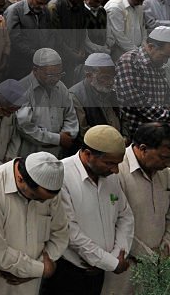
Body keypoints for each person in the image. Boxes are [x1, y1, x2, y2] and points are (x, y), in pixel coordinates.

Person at [45, 125, 133, 295]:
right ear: (87, 154)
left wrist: (116, 254)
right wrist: (108, 262)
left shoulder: (110, 177)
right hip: (68, 272)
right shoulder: (62, 175)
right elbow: (69, 231)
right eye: (110, 163)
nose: (115, 170)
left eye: (118, 164)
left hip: (100, 272)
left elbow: (125, 216)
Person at [0, 152, 69, 295]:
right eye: (37, 197)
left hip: (32, 283)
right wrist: (41, 269)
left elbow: (60, 233)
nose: (42, 202)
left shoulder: (48, 191)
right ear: (20, 179)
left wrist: (34, 270)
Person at [109, 122, 170, 295]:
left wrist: (165, 245)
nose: (167, 163)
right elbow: (112, 222)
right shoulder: (116, 171)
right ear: (143, 149)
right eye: (164, 157)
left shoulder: (165, 174)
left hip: (160, 262)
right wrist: (147, 254)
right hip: (125, 264)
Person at [17, 47, 78, 156]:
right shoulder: (23, 89)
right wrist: (57, 139)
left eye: (59, 74)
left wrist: (68, 134)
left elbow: (70, 116)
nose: (55, 79)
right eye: (50, 75)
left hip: (58, 152)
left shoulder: (61, 87)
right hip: (32, 153)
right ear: (35, 70)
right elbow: (25, 127)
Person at [115, 26, 170, 139]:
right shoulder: (130, 61)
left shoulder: (159, 64)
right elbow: (137, 102)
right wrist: (166, 115)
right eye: (164, 56)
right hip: (135, 131)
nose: (165, 61)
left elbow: (165, 96)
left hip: (158, 128)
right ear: (150, 47)